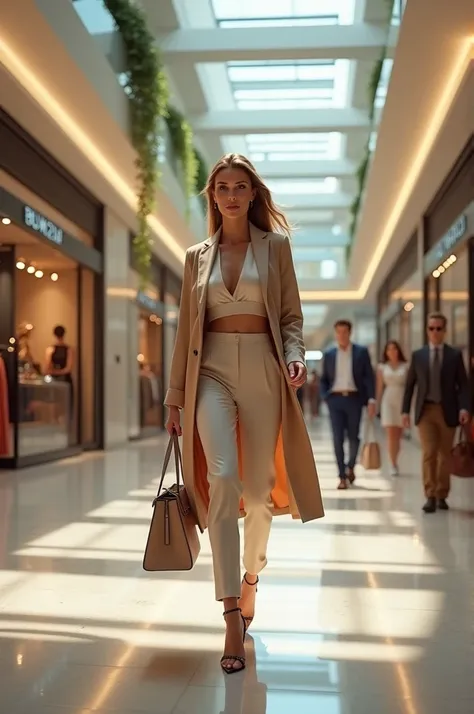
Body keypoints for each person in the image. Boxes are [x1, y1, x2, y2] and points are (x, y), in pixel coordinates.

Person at [164, 153, 324, 674]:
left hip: (262, 369)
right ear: (212, 196)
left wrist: (295, 355)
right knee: (223, 479)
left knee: (258, 492)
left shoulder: (275, 248)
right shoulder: (196, 256)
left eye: (240, 187)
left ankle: (253, 574)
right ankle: (231, 610)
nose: (231, 195)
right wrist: (173, 399)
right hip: (210, 372)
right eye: (222, 188)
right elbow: (187, 329)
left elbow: (290, 315)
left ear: (253, 194)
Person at [402, 312, 469, 513]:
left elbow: (463, 385)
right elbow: (410, 385)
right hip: (426, 411)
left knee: (445, 455)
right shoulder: (418, 355)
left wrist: (465, 408)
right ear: (427, 330)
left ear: (445, 331)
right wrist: (405, 411)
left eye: (439, 328)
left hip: (448, 411)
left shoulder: (454, 355)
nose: (435, 332)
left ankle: (442, 494)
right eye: (431, 328)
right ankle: (430, 494)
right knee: (429, 453)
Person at [320, 320, 376, 489]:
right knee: (337, 438)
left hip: (354, 399)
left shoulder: (361, 352)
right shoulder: (329, 354)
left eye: (345, 332)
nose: (342, 335)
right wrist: (325, 396)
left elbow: (369, 377)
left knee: (353, 437)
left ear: (350, 333)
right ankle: (341, 476)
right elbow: (324, 380)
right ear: (335, 334)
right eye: (339, 332)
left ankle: (350, 466)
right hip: (335, 400)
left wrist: (371, 399)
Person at [376, 340, 409, 476]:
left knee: (399, 434)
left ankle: (396, 458)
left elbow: (409, 386)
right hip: (388, 400)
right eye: (389, 349)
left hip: (401, 399)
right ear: (386, 352)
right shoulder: (382, 367)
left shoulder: (406, 366)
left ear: (398, 351)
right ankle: (393, 463)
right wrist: (376, 405)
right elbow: (379, 388)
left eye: (394, 349)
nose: (392, 352)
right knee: (391, 434)